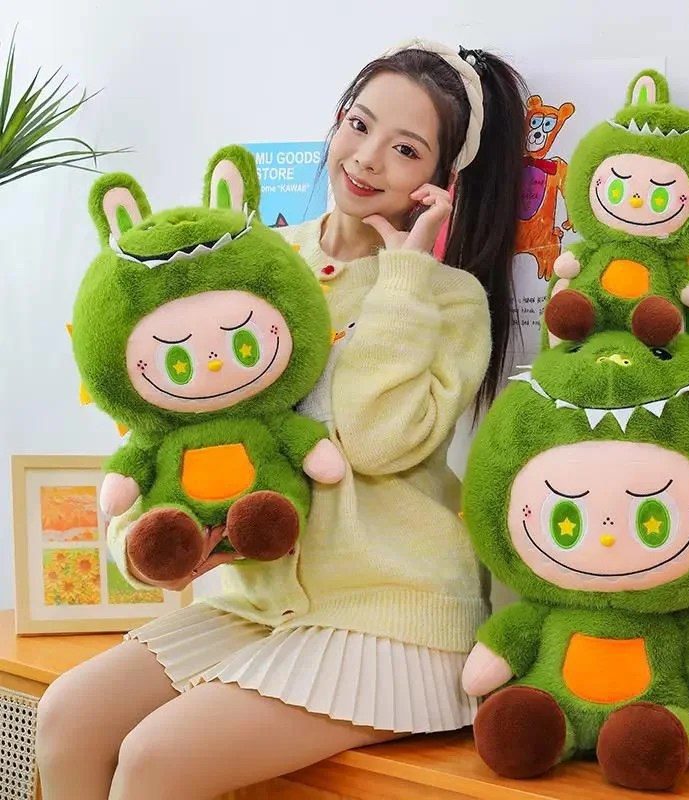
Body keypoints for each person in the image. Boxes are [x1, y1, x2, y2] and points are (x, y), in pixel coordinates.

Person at [35, 39, 528, 799]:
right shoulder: (259, 259)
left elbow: (374, 441)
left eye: (405, 149)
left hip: (390, 616)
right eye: (358, 125)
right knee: (67, 715)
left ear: (442, 180)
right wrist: (150, 545)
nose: (367, 159)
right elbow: (166, 426)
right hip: (256, 607)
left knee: (155, 760)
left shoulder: (447, 297)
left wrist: (404, 275)